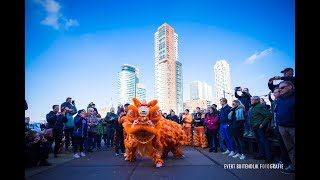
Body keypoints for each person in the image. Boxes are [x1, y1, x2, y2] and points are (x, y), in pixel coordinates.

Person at [275, 81, 295, 174]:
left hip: (293, 127)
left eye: (282, 88)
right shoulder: (280, 99)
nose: (280, 90)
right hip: (282, 127)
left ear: (290, 87)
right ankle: (293, 166)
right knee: (290, 148)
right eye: (279, 88)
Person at [269, 87, 291, 167]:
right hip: (277, 127)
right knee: (282, 145)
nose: (274, 94)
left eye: (275, 92)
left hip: (285, 127)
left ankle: (289, 163)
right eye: (273, 92)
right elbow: (273, 115)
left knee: (287, 146)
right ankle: (283, 161)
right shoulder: (275, 102)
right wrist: (273, 125)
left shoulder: (285, 101)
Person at [250, 96, 273, 163]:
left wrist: (262, 124)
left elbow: (269, 115)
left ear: (257, 100)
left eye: (252, 99)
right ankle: (261, 154)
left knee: (264, 141)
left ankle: (269, 157)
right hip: (255, 127)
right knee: (259, 141)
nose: (251, 100)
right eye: (251, 99)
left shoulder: (260, 106)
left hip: (260, 127)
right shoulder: (253, 107)